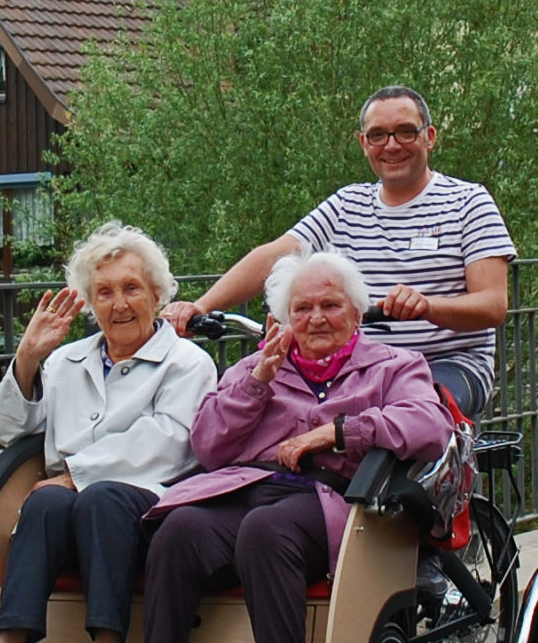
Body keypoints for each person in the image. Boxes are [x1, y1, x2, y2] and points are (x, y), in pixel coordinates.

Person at [109, 248, 453, 643]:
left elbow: (429, 425)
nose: (316, 318)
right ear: (283, 318)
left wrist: (339, 432)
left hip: (331, 499)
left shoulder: (394, 365)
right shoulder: (262, 365)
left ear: (355, 312)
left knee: (266, 530)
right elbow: (208, 445)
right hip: (248, 489)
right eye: (302, 309)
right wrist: (256, 383)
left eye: (330, 306)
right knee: (180, 528)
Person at [0, 222, 217, 643]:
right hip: (66, 505)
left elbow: (172, 443)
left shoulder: (187, 362)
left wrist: (77, 473)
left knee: (98, 497)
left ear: (157, 294)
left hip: (150, 507)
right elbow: (4, 427)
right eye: (103, 292)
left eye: (131, 288)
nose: (119, 304)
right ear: (89, 301)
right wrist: (27, 358)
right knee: (42, 501)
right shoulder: (67, 360)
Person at [163, 86, 515, 419]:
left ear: (430, 137)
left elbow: (492, 306)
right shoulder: (348, 203)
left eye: (405, 132)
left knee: (410, 416)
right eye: (378, 135)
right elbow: (274, 255)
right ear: (364, 144)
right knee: (266, 412)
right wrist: (202, 306)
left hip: (446, 363)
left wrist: (427, 306)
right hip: (356, 363)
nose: (391, 145)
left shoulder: (469, 202)